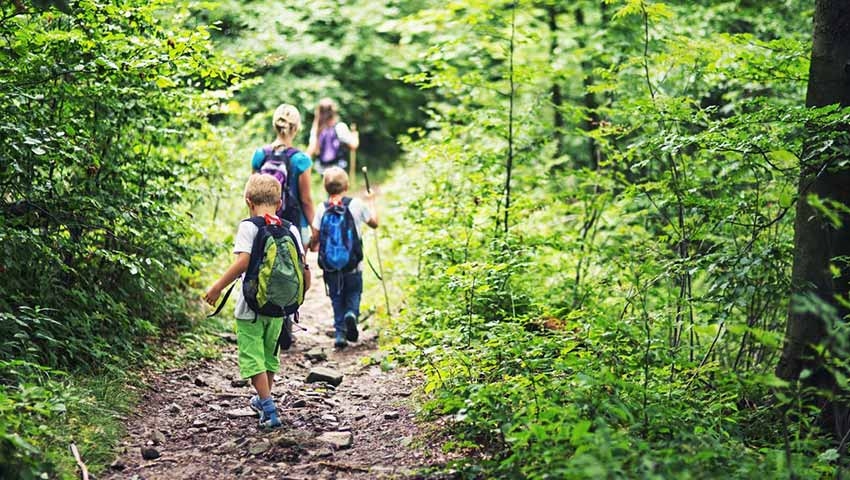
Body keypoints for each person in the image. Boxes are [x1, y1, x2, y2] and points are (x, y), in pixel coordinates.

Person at [204, 174, 310, 429]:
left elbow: (242, 262)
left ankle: (270, 408)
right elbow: (304, 268)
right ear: (280, 202)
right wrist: (300, 296)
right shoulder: (291, 228)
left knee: (252, 357)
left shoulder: (249, 227)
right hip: (279, 308)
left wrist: (217, 287)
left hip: (250, 308)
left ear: (248, 202)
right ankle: (264, 400)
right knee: (269, 354)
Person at [312, 166, 378, 348]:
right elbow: (374, 223)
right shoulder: (356, 205)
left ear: (326, 188)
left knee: (336, 297)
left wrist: (311, 246)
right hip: (353, 265)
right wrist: (371, 201)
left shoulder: (321, 208)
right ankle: (352, 314)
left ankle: (340, 333)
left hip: (331, 267)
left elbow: (315, 237)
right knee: (354, 293)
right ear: (347, 186)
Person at [252, 103, 316, 248]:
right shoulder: (301, 160)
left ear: (275, 125)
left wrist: (252, 224)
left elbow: (251, 194)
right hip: (295, 226)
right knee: (298, 268)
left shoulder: (260, 155)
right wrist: (315, 231)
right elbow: (306, 200)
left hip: (264, 225)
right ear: (296, 128)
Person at [306, 98, 359, 174]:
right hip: (339, 169)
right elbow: (354, 145)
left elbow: (312, 150)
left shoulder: (317, 130)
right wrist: (355, 135)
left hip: (322, 170)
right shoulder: (340, 127)